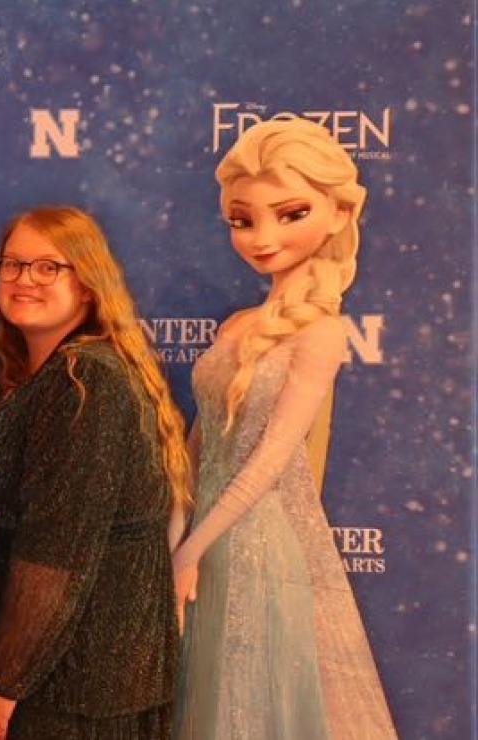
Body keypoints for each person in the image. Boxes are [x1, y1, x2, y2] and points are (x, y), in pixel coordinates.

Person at [171, 119, 396, 739]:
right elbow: (196, 450)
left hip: (259, 546)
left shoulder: (321, 332)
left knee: (257, 705)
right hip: (204, 542)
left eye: (288, 213)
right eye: (243, 220)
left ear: (338, 211)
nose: (262, 237)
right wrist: (175, 535)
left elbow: (269, 464)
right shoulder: (236, 325)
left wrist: (191, 548)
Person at [0, 207, 188, 740]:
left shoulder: (85, 381)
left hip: (77, 689)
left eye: (48, 268)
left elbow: (57, 552)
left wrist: (3, 681)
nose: (24, 280)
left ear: (88, 286)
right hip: (77, 678)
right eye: (13, 264)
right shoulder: (33, 376)